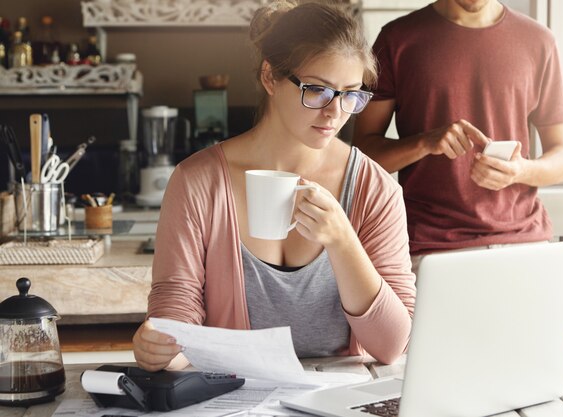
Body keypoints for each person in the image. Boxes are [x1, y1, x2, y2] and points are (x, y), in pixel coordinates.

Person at [133, 0, 416, 372]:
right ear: (270, 77)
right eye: (317, 90)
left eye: (351, 94)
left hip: (339, 404)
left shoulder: (374, 189)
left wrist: (343, 241)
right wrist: (162, 346)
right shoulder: (197, 182)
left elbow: (392, 345)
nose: (336, 112)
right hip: (234, 400)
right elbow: (176, 308)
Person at [353, 0, 563, 261]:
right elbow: (363, 154)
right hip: (429, 247)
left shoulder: (540, 41)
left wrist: (521, 171)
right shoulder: (396, 40)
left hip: (525, 243)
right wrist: (424, 143)